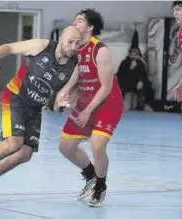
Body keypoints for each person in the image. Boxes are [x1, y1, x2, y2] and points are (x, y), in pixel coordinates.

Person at [0, 26, 82, 203]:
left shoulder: (74, 67)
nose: (74, 47)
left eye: (77, 43)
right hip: (15, 96)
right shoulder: (41, 46)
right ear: (61, 39)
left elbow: (64, 92)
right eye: (70, 42)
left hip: (35, 107)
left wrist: (64, 100)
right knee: (14, 143)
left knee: (25, 153)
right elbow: (9, 48)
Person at [57, 9, 124, 207]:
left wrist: (87, 111)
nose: (75, 23)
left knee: (97, 144)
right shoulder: (76, 48)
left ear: (90, 27)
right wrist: (67, 92)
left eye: (79, 20)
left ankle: (100, 186)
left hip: (107, 103)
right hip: (86, 100)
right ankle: (91, 176)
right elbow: (78, 75)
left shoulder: (100, 50)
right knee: (65, 146)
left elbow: (106, 86)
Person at [172, 1, 182, 129]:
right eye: (174, 10)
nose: (175, 13)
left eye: (178, 9)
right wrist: (181, 83)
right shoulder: (181, 33)